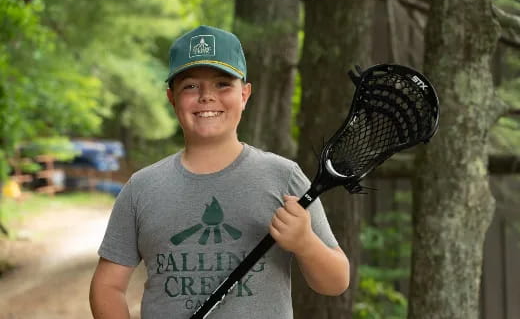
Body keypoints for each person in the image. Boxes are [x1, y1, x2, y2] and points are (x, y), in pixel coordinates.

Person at [89, 25, 349, 319]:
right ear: (172, 98)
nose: (206, 96)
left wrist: (306, 243)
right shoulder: (142, 188)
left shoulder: (283, 177)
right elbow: (107, 286)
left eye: (223, 84)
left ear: (245, 95)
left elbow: (336, 282)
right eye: (190, 86)